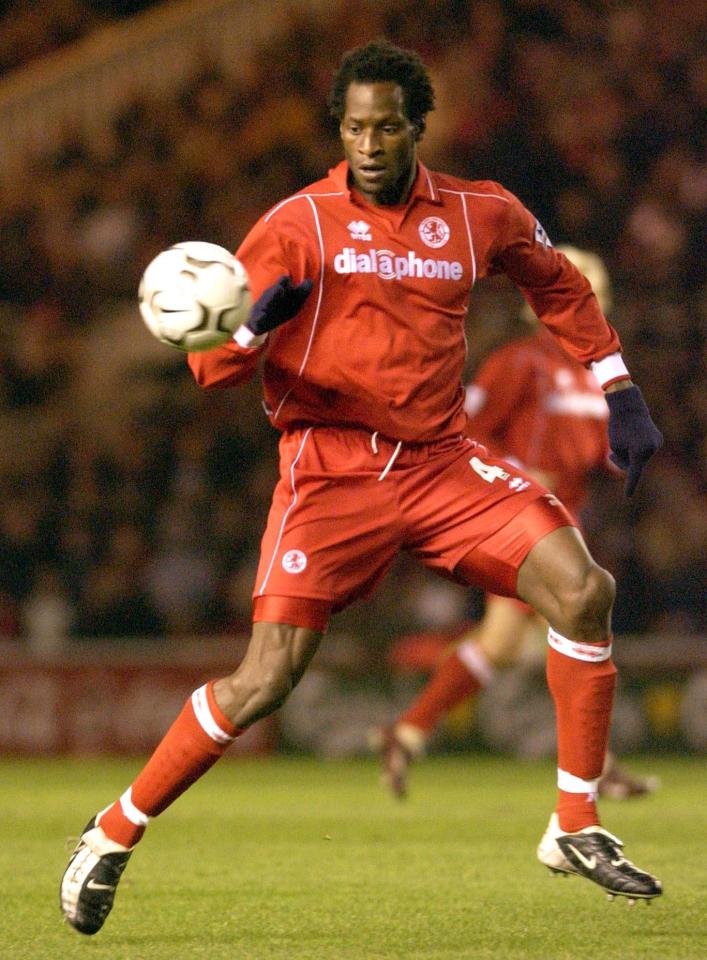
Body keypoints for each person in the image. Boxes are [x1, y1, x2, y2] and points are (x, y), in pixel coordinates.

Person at [60, 40, 664, 936]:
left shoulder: (477, 212)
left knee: (582, 592)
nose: (370, 142)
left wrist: (619, 386)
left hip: (440, 461)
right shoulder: (295, 225)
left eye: (387, 126)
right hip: (331, 468)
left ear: (418, 126)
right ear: (338, 129)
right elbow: (211, 370)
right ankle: (111, 833)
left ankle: (573, 822)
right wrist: (250, 333)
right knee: (264, 680)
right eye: (354, 126)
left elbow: (558, 284)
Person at [373, 246, 660, 801]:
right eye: (584, 294)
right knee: (570, 631)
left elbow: (590, 447)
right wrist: (519, 473)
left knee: (507, 643)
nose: (593, 305)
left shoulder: (592, 372)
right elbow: (467, 430)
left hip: (566, 517)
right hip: (521, 518)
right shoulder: (518, 361)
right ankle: (595, 770)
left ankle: (407, 730)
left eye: (597, 295)